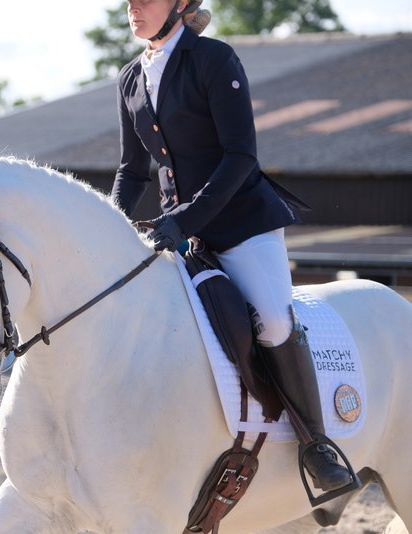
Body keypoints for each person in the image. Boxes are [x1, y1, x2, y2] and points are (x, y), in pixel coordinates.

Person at [111, 0, 358, 493]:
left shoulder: (213, 59)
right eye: (130, 0)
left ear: (180, 5)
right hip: (181, 233)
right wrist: (109, 225)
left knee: (270, 318)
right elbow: (132, 168)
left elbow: (241, 155)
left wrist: (186, 218)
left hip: (242, 225)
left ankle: (317, 446)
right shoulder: (131, 78)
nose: (134, 7)